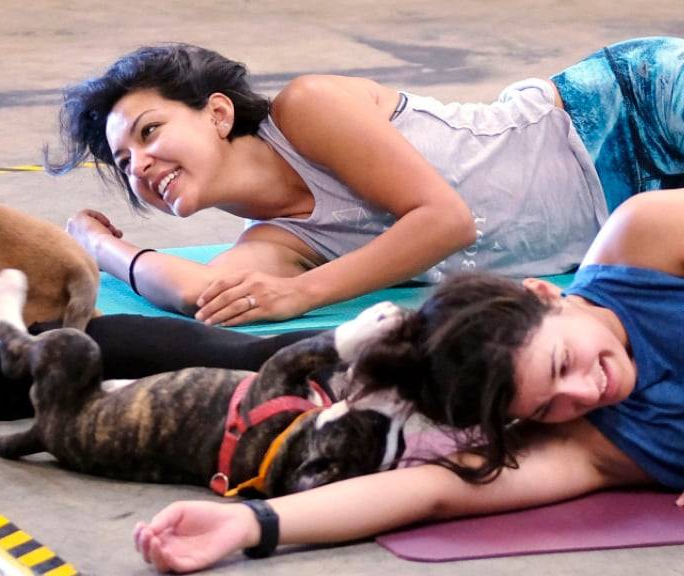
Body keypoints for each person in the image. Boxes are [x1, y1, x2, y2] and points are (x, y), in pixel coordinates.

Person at [131, 188, 684, 572]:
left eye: (564, 362)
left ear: (545, 294)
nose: (588, 393)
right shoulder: (592, 443)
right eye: (546, 408)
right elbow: (432, 490)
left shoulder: (647, 242)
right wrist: (252, 524)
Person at [51, 37, 684, 327]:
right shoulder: (276, 241)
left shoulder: (307, 109)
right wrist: (100, 246)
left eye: (149, 132)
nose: (141, 166)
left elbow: (445, 220)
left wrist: (303, 295)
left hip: (625, 110)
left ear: (217, 114)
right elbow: (204, 292)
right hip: (634, 215)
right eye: (126, 164)